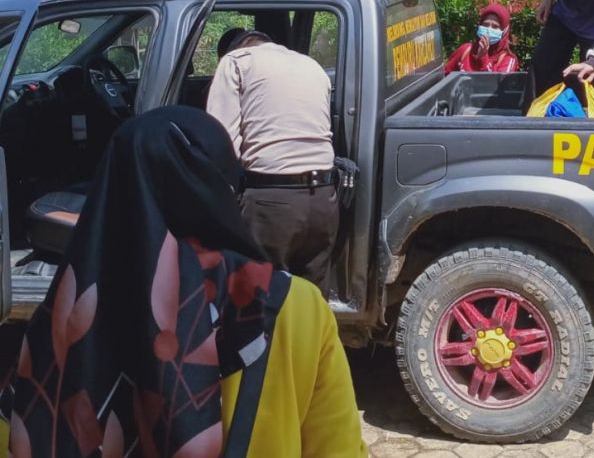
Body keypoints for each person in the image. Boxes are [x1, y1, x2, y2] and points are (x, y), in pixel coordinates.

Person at [1, 106, 366, 456]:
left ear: (108, 190)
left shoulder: (58, 323)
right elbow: (338, 449)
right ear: (223, 188)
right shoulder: (293, 306)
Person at [207, 30, 338, 290]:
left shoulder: (235, 62)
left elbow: (221, 145)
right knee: (310, 299)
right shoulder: (312, 66)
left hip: (272, 202)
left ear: (231, 50)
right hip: (325, 199)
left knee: (262, 301)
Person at [444, 4, 520, 74]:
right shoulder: (466, 50)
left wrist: (483, 58)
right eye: (485, 25)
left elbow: (496, 86)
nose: (488, 30)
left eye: (495, 27)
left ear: (505, 31)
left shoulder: (508, 60)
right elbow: (445, 76)